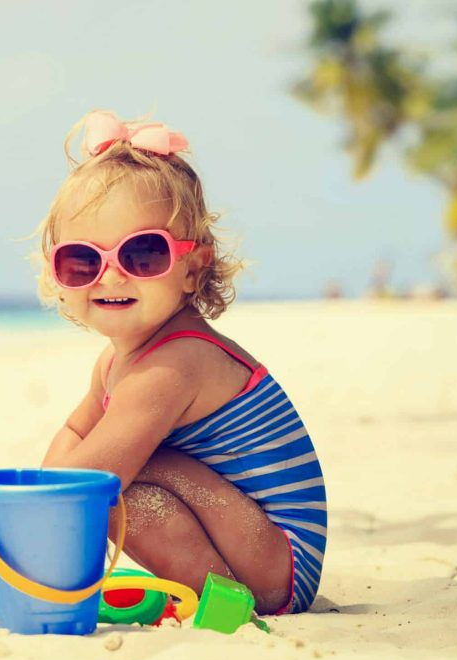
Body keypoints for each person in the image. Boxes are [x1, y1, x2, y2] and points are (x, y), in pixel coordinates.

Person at [37, 110, 327, 615]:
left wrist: (34, 525)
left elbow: (88, 482)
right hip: (246, 534)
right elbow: (72, 435)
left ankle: (223, 600)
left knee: (114, 484)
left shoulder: (175, 365)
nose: (110, 278)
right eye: (83, 261)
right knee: (114, 481)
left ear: (193, 269)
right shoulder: (114, 362)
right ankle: (206, 592)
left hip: (280, 559)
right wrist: (44, 499)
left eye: (142, 256)